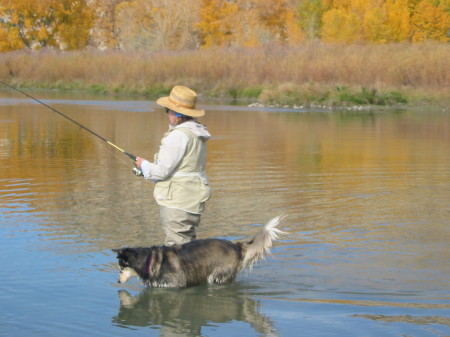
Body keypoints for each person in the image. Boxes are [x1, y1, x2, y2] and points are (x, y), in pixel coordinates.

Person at [135, 85, 211, 246]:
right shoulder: (197, 132)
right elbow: (182, 168)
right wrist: (146, 169)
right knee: (188, 247)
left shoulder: (178, 136)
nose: (167, 114)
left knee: (176, 250)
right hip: (192, 199)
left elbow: (162, 172)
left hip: (178, 201)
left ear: (177, 114)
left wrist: (144, 165)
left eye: (167, 110)